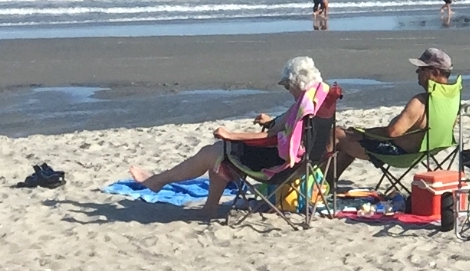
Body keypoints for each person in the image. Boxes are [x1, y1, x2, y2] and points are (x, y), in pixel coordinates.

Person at [132, 57, 334, 217]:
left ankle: (159, 182)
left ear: (296, 83)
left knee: (215, 153)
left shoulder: (303, 108)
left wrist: (231, 135)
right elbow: (284, 127)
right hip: (307, 164)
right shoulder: (317, 100)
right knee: (219, 153)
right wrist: (271, 121)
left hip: (280, 167)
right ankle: (205, 205)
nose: (287, 90)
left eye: (287, 86)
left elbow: (272, 137)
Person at [333, 47, 457, 170]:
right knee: (348, 142)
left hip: (397, 154)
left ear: (435, 73)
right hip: (426, 152)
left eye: (421, 69)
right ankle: (328, 180)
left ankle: (321, 180)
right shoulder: (452, 100)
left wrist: (364, 133)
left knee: (337, 134)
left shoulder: (420, 102)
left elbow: (393, 132)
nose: (417, 72)